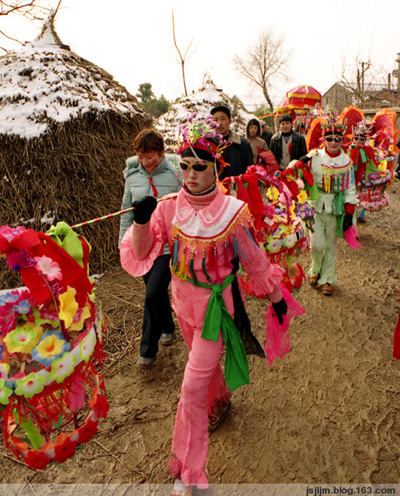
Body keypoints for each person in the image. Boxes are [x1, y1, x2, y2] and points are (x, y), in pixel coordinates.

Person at [120, 115, 290, 495]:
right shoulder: (166, 208)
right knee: (204, 379)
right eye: (184, 165)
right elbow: (143, 252)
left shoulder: (232, 213)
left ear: (216, 168)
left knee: (190, 388)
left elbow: (255, 261)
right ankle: (221, 401)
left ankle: (189, 470)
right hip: (182, 305)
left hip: (217, 309)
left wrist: (277, 299)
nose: (191, 173)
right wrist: (143, 223)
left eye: (200, 166)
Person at [119, 128, 182, 368]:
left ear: (162, 151)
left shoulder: (177, 172)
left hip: (167, 245)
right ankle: (167, 325)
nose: (146, 162)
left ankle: (147, 349)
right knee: (153, 292)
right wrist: (122, 244)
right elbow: (126, 212)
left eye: (151, 156)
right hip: (142, 244)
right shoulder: (132, 176)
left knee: (153, 292)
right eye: (142, 157)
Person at [292, 117, 357, 296]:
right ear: (323, 139)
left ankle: (327, 278)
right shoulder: (314, 157)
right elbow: (295, 172)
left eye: (338, 138)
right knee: (317, 245)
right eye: (329, 138)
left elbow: (351, 187)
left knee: (331, 245)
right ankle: (315, 270)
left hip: (336, 209)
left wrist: (350, 214)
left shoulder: (347, 162)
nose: (333, 142)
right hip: (315, 206)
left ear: (343, 140)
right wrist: (300, 162)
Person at [346, 121, 379, 223]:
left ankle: (361, 214)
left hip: (364, 174)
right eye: (356, 138)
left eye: (361, 138)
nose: (358, 140)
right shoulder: (349, 148)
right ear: (353, 138)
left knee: (363, 193)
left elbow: (372, 162)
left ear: (365, 140)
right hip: (352, 175)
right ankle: (353, 213)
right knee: (354, 194)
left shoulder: (368, 149)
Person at [210, 105, 253, 179]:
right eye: (216, 120)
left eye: (223, 119)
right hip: (214, 188)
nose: (219, 123)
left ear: (229, 122)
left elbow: (251, 171)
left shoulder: (242, 144)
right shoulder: (208, 144)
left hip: (235, 187)